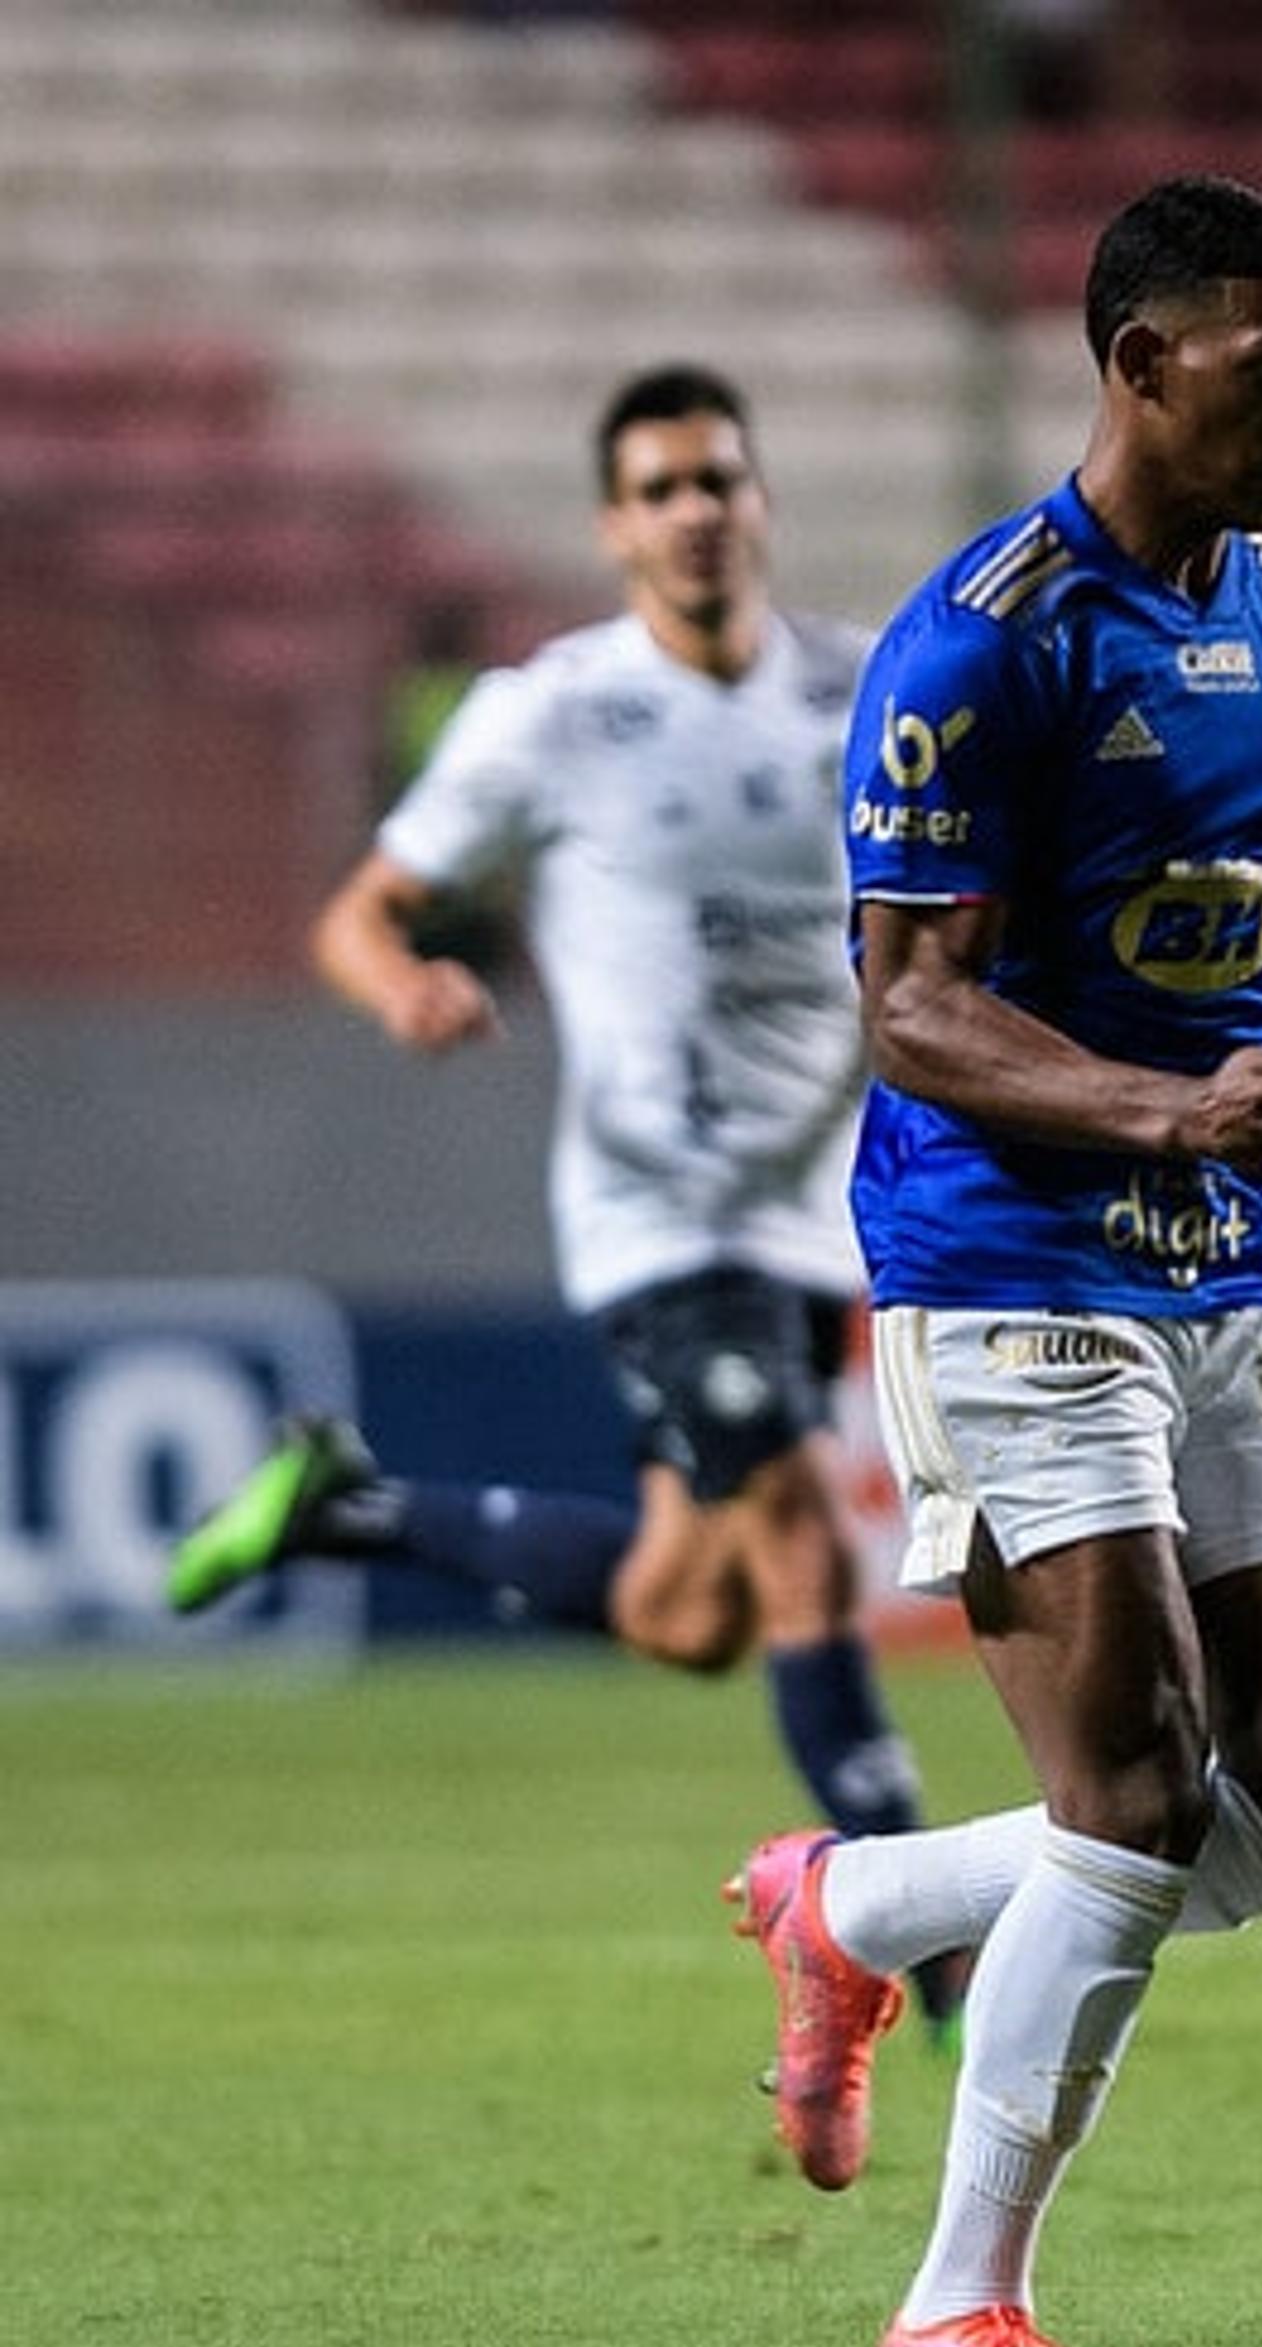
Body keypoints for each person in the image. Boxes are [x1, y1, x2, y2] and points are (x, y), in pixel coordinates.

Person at [719, 173, 1262, 2347]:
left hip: (1218, 1274)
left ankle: (865, 1906)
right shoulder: (981, 641)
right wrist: (1162, 1116)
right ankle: (953, 2313)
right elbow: (911, 1008)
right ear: (1136, 365)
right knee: (1129, 1783)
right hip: (1003, 1265)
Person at [166, 366, 961, 2037]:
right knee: (809, 1548)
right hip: (655, 1215)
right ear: (613, 527)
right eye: (661, 487)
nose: (695, 510)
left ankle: (350, 1508)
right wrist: (406, 987)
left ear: (760, 502)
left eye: (718, 480)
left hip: (813, 1210)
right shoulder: (549, 712)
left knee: (693, 1609)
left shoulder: (853, 693)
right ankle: (912, 1935)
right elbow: (359, 915)